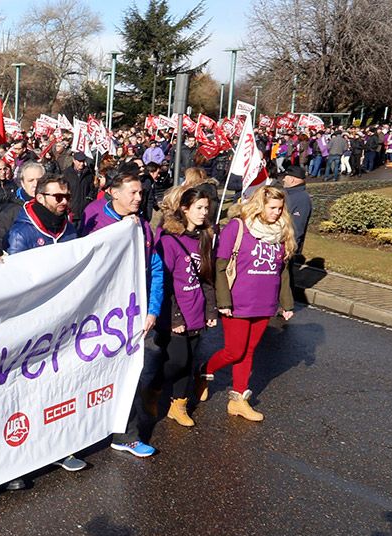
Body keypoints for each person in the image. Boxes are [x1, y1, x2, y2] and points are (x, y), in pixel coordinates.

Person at [84, 171, 163, 459]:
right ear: (114, 193)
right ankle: (84, 431)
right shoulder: (97, 224)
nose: (139, 198)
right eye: (133, 192)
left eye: (141, 192)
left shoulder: (143, 226)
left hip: (134, 315)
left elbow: (155, 269)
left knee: (134, 371)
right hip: (102, 318)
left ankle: (126, 435)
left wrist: (152, 309)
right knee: (95, 374)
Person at [202, 185, 296, 422]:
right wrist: (223, 301)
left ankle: (238, 400)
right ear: (259, 205)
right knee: (234, 351)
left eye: (280, 208)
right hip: (238, 302)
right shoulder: (238, 227)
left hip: (265, 302)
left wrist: (286, 304)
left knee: (249, 351)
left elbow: (283, 271)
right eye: (272, 207)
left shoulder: (281, 231)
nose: (277, 212)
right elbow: (221, 266)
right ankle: (204, 371)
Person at [156, 183, 218, 427]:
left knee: (189, 360)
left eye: (206, 208)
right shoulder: (169, 241)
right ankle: (152, 385)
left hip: (196, 309)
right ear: (184, 209)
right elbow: (165, 282)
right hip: (175, 313)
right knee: (178, 361)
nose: (204, 213)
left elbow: (206, 278)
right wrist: (175, 317)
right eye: (198, 208)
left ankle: (178, 404)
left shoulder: (205, 238)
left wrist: (210, 310)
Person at [4, 173, 79, 254]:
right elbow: (16, 261)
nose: (64, 201)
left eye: (67, 197)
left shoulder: (69, 228)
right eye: (58, 197)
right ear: (40, 198)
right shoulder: (20, 234)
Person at [0, 161, 46, 249]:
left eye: (39, 180)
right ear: (23, 183)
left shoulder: (54, 206)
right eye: (30, 180)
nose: (35, 184)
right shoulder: (10, 212)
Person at [282, 166, 312, 258]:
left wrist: (288, 251)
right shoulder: (287, 194)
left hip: (286, 250)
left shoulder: (302, 199)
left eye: (285, 177)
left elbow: (297, 229)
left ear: (292, 180)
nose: (283, 180)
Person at [63, 151, 95, 219]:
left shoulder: (88, 173)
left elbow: (92, 189)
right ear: (74, 160)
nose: (82, 164)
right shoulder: (66, 173)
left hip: (84, 210)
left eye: (83, 161)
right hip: (71, 210)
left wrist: (89, 199)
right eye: (79, 161)